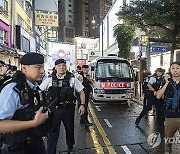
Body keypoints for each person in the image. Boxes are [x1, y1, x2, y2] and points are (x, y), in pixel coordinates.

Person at [0, 52, 49, 154]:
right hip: (17, 148)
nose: (42, 71)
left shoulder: (34, 88)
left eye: (42, 68)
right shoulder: (12, 90)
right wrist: (34, 123)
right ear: (24, 68)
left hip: (35, 143)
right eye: (38, 67)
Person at [39, 58, 85, 154]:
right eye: (59, 65)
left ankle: (70, 146)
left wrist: (82, 105)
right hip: (53, 110)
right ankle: (51, 151)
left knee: (69, 129)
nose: (62, 67)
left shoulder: (72, 79)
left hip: (68, 109)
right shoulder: (49, 79)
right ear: (55, 67)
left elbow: (81, 92)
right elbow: (40, 91)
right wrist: (42, 106)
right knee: (53, 132)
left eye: (63, 65)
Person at [157, 61, 180, 154]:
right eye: (173, 68)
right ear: (170, 70)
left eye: (178, 68)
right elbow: (158, 96)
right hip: (170, 117)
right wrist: (166, 83)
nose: (175, 70)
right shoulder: (166, 82)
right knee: (168, 142)